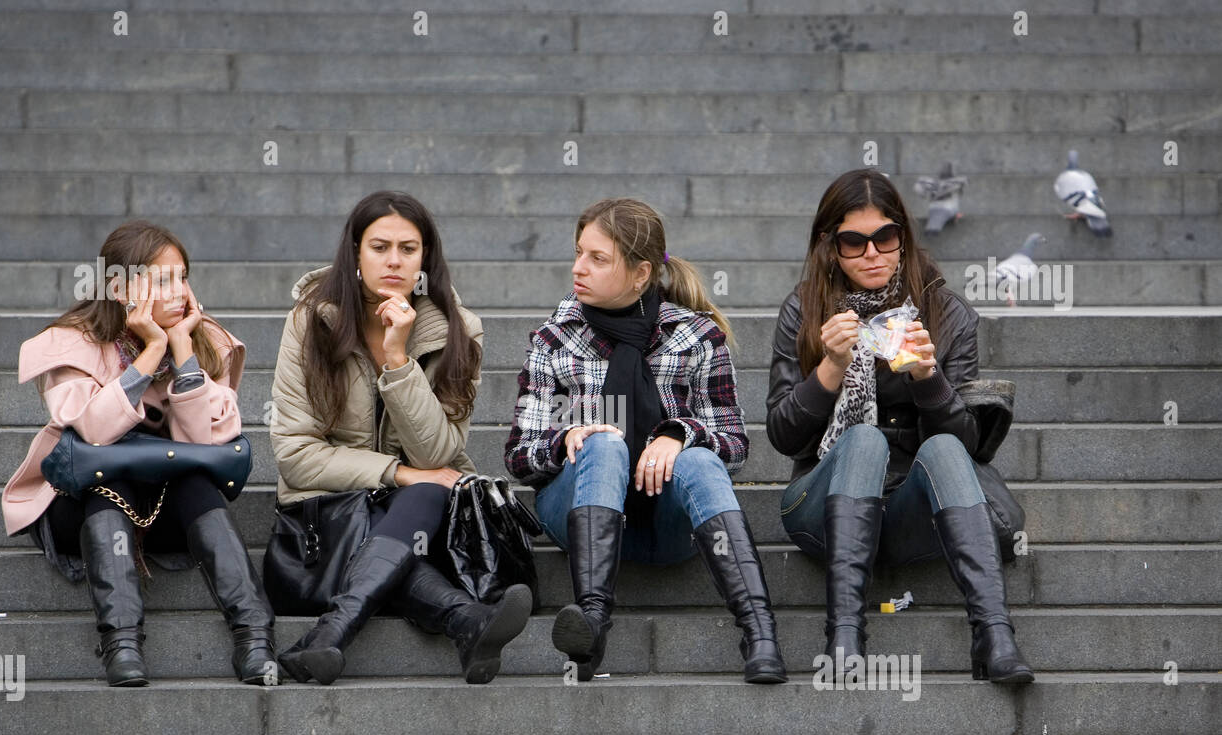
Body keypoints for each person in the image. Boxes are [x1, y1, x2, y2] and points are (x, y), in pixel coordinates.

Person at [505, 197, 788, 684]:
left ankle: (760, 630)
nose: (578, 268)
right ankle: (591, 621)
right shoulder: (556, 339)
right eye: (578, 253)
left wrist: (679, 434)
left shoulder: (695, 338)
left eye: (598, 259)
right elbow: (519, 455)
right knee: (605, 443)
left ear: (640, 274)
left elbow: (736, 445)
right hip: (576, 513)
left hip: (666, 524)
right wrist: (568, 437)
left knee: (699, 463)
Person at [767, 169, 1033, 683]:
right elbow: (783, 436)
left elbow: (970, 445)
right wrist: (829, 369)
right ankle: (844, 635)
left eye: (885, 237)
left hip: (919, 511)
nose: (872, 253)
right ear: (830, 246)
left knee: (946, 452)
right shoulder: (805, 309)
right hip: (824, 507)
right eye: (854, 241)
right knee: (862, 438)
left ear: (903, 238)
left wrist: (927, 379)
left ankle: (994, 635)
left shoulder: (946, 313)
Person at [270, 190, 531, 686]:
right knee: (424, 490)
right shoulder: (311, 322)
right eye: (380, 246)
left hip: (422, 524)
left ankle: (331, 635)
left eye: (408, 249)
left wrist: (397, 361)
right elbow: (296, 455)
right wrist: (400, 473)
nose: (394, 261)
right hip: (327, 523)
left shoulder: (459, 331)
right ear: (354, 253)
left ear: (425, 258)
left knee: (431, 490)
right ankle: (467, 619)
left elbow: (438, 452)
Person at [1, 220, 277, 687]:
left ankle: (255, 637)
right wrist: (151, 353)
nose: (178, 291)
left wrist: (184, 353)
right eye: (162, 279)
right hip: (83, 505)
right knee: (108, 478)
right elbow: (93, 430)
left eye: (183, 276)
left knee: (194, 481)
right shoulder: (74, 342)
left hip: (165, 507)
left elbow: (206, 449)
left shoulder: (207, 340)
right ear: (119, 286)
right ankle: (121, 642)